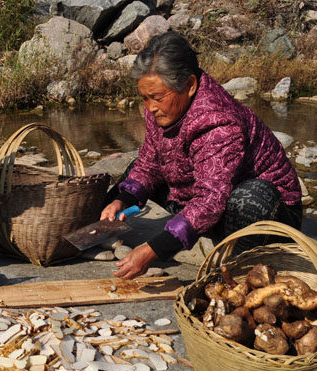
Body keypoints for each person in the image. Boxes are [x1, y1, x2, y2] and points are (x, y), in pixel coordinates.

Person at [102, 32, 302, 279]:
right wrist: (122, 200)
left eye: (157, 98)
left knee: (249, 198)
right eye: (144, 98)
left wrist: (155, 249)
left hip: (269, 213)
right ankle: (101, 226)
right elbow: (149, 162)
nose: (150, 107)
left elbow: (210, 199)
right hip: (210, 197)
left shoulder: (219, 121)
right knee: (133, 173)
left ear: (189, 86)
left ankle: (240, 268)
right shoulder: (163, 108)